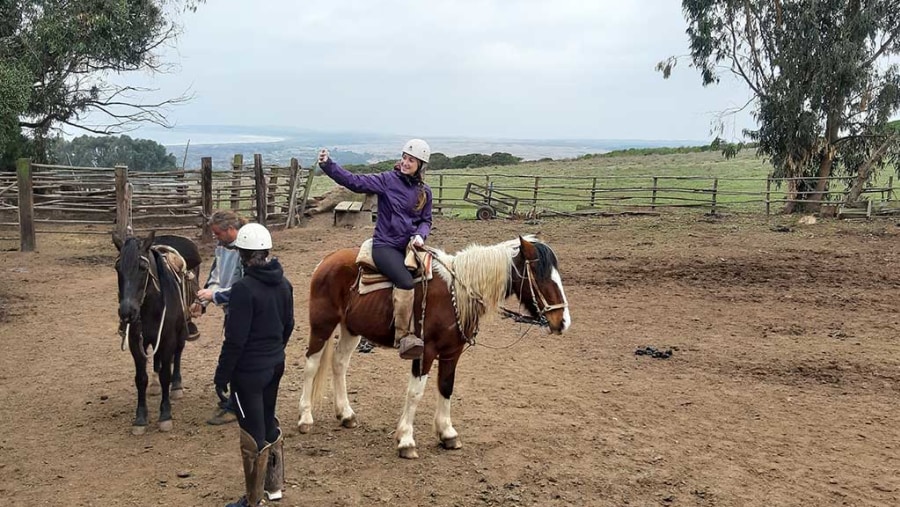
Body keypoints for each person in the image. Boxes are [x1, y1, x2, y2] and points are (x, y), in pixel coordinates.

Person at [317, 139, 433, 359]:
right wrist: (328, 165)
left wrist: (420, 235)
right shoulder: (387, 180)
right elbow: (354, 181)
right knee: (405, 281)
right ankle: (404, 336)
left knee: (431, 276)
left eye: (411, 160)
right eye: (405, 158)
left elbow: (426, 220)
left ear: (421, 165)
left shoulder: (424, 191)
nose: (406, 163)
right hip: (385, 245)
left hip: (410, 247)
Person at [214, 223, 294, 507]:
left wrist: (221, 375)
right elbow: (289, 325)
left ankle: (252, 500)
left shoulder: (243, 289)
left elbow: (235, 340)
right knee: (268, 420)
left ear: (242, 255)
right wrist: (274, 351)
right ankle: (274, 486)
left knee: (252, 435)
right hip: (275, 365)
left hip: (248, 373)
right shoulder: (284, 284)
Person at [194, 210, 246, 425]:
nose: (216, 237)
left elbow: (245, 289)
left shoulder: (247, 251)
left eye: (218, 233)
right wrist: (203, 302)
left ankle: (237, 406)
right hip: (232, 311)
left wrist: (214, 295)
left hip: (245, 313)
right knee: (234, 356)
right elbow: (215, 276)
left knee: (240, 358)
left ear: (231, 230)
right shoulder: (223, 248)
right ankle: (236, 400)